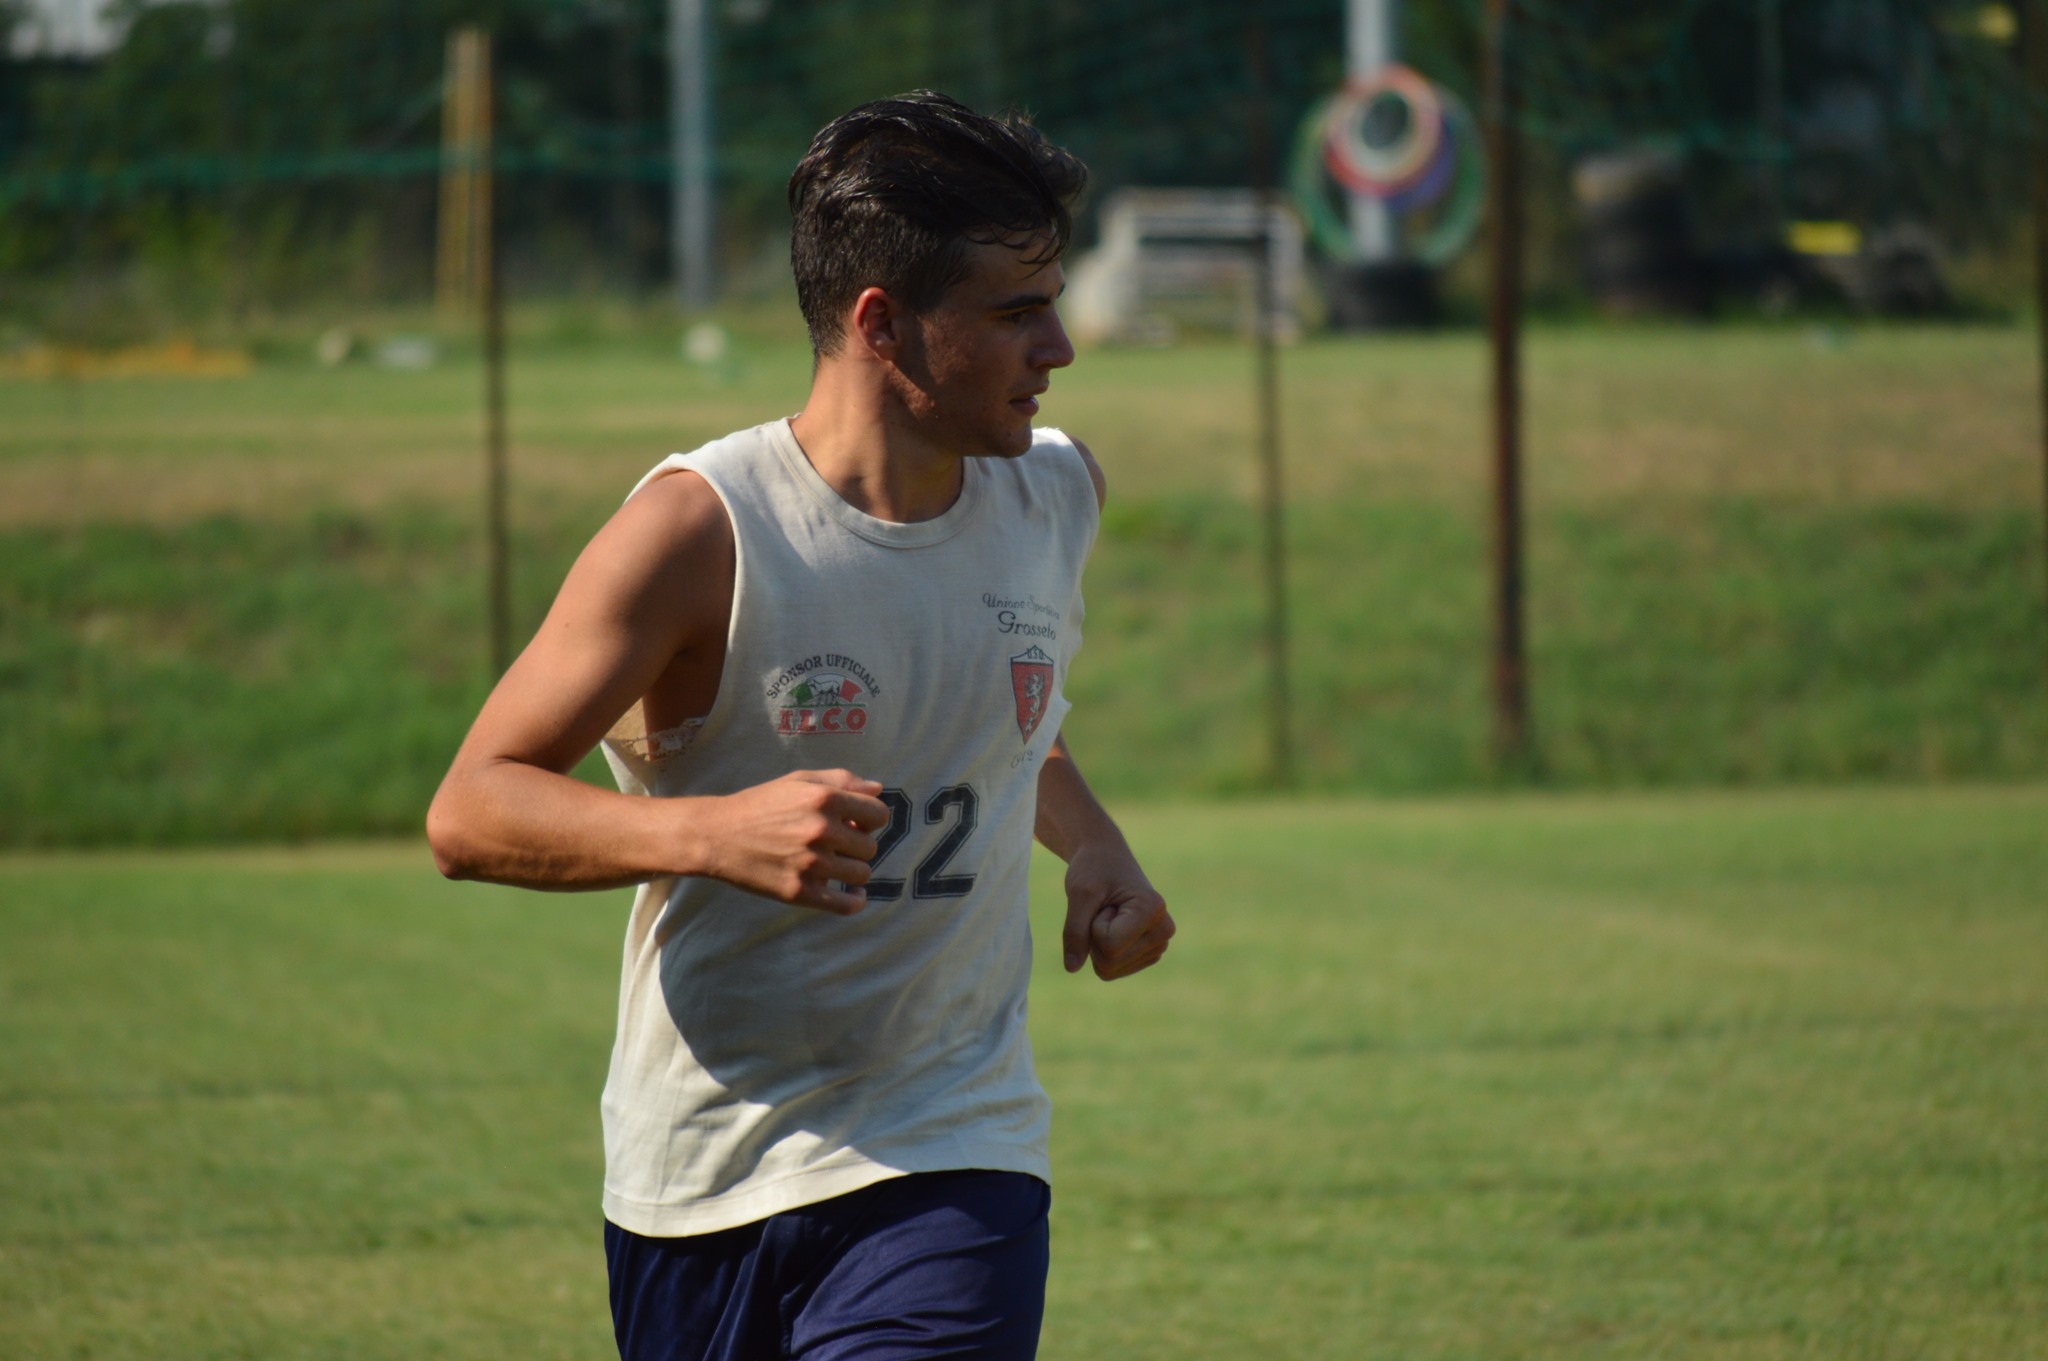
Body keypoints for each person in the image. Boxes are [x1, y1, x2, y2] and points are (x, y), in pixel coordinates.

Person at [426, 91, 1175, 1361]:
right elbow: (471, 806)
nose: (1058, 346)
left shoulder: (1056, 495)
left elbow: (999, 706)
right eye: (1014, 312)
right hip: (702, 1171)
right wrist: (712, 833)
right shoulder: (701, 530)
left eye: (1051, 301)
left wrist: (1093, 841)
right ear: (881, 324)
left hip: (954, 1140)